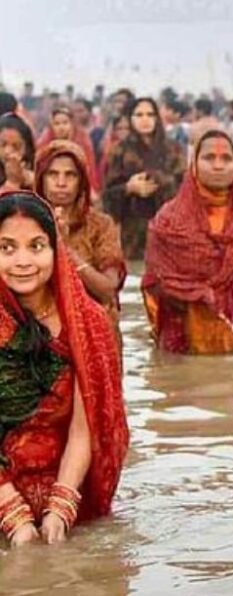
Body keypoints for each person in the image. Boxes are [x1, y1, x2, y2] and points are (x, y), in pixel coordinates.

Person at [0, 191, 129, 547]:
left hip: (67, 487)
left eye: (36, 246)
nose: (22, 261)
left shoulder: (88, 324)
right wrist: (12, 513)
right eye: (7, 248)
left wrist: (61, 507)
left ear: (56, 249)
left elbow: (85, 428)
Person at [143, 130, 233, 354]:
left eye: (226, 159)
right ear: (194, 164)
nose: (218, 166)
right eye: (209, 158)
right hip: (183, 347)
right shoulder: (168, 220)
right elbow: (154, 281)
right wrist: (196, 294)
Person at [34, 140, 124, 341]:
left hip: (94, 332)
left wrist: (66, 250)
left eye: (70, 175)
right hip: (42, 333)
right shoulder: (26, 223)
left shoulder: (101, 225)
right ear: (41, 179)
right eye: (53, 174)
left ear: (82, 181)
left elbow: (108, 290)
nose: (61, 182)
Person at [101, 97, 185, 260]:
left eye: (150, 114)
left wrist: (157, 181)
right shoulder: (120, 151)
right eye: (139, 115)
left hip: (170, 231)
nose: (145, 119)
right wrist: (129, 188)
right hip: (133, 235)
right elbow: (108, 196)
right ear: (130, 119)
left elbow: (185, 189)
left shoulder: (173, 149)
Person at [36, 107, 100, 193]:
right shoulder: (44, 147)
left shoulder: (83, 144)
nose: (61, 127)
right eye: (57, 123)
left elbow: (89, 170)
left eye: (65, 123)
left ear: (72, 124)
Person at [0, 113, 37, 193]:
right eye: (3, 145)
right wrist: (12, 183)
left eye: (16, 146)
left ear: (27, 148)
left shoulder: (34, 178)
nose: (8, 151)